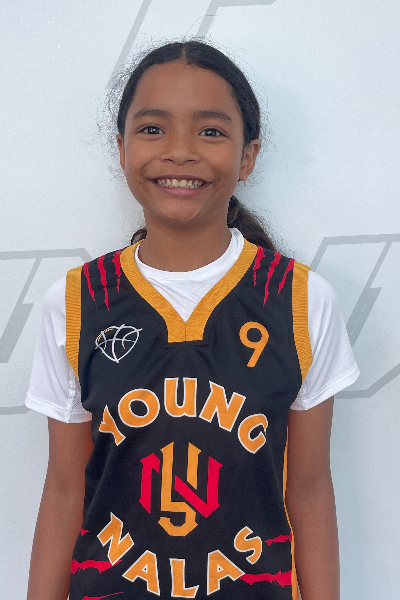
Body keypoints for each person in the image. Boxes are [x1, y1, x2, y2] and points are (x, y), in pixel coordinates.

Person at [25, 40, 359, 600]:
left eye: (210, 131)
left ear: (248, 156)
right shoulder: (77, 302)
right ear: (122, 148)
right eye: (153, 128)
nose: (179, 151)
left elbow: (308, 489)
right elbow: (64, 489)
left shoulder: (300, 301)